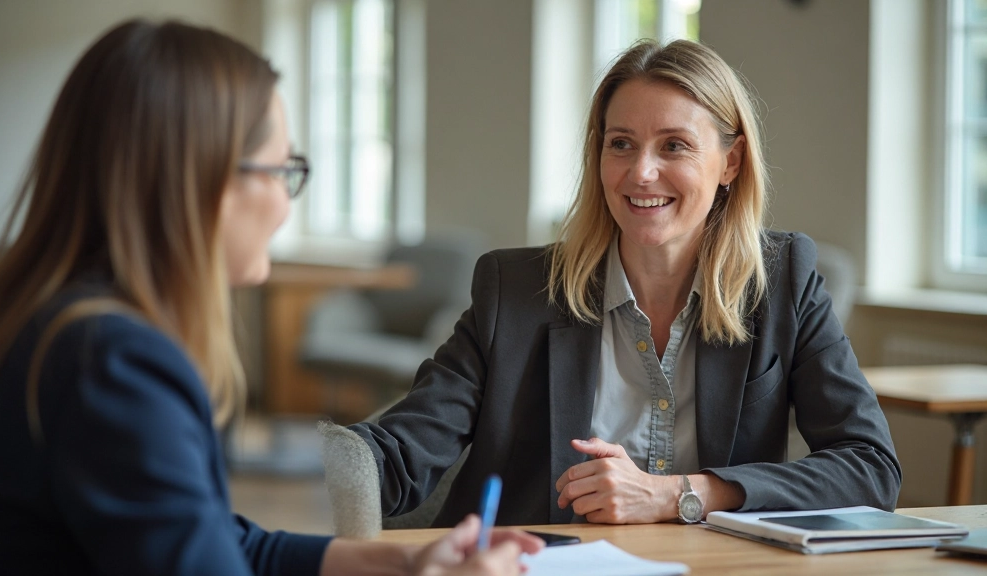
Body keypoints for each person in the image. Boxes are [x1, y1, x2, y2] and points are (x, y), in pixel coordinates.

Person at [0, 20, 541, 576]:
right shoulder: (115, 364)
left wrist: (404, 560)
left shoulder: (45, 320)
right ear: (204, 180)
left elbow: (213, 539)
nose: (286, 204)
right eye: (282, 169)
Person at [348, 39, 901, 527]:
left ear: (730, 162)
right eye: (621, 143)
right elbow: (402, 453)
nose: (640, 172)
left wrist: (680, 494)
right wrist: (304, 479)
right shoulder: (515, 290)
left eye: (674, 145)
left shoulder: (784, 281)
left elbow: (870, 467)